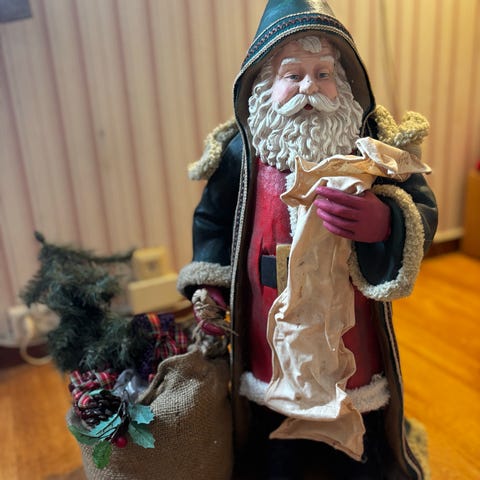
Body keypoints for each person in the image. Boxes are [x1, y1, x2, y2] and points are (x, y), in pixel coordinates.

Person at [177, 1, 438, 479]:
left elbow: (420, 205)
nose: (308, 88)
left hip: (350, 328)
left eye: (323, 74)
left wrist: (385, 223)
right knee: (277, 434)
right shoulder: (241, 151)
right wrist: (210, 285)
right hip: (267, 327)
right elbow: (212, 220)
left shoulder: (375, 143)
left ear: (345, 79)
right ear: (262, 83)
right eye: (292, 75)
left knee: (356, 420)